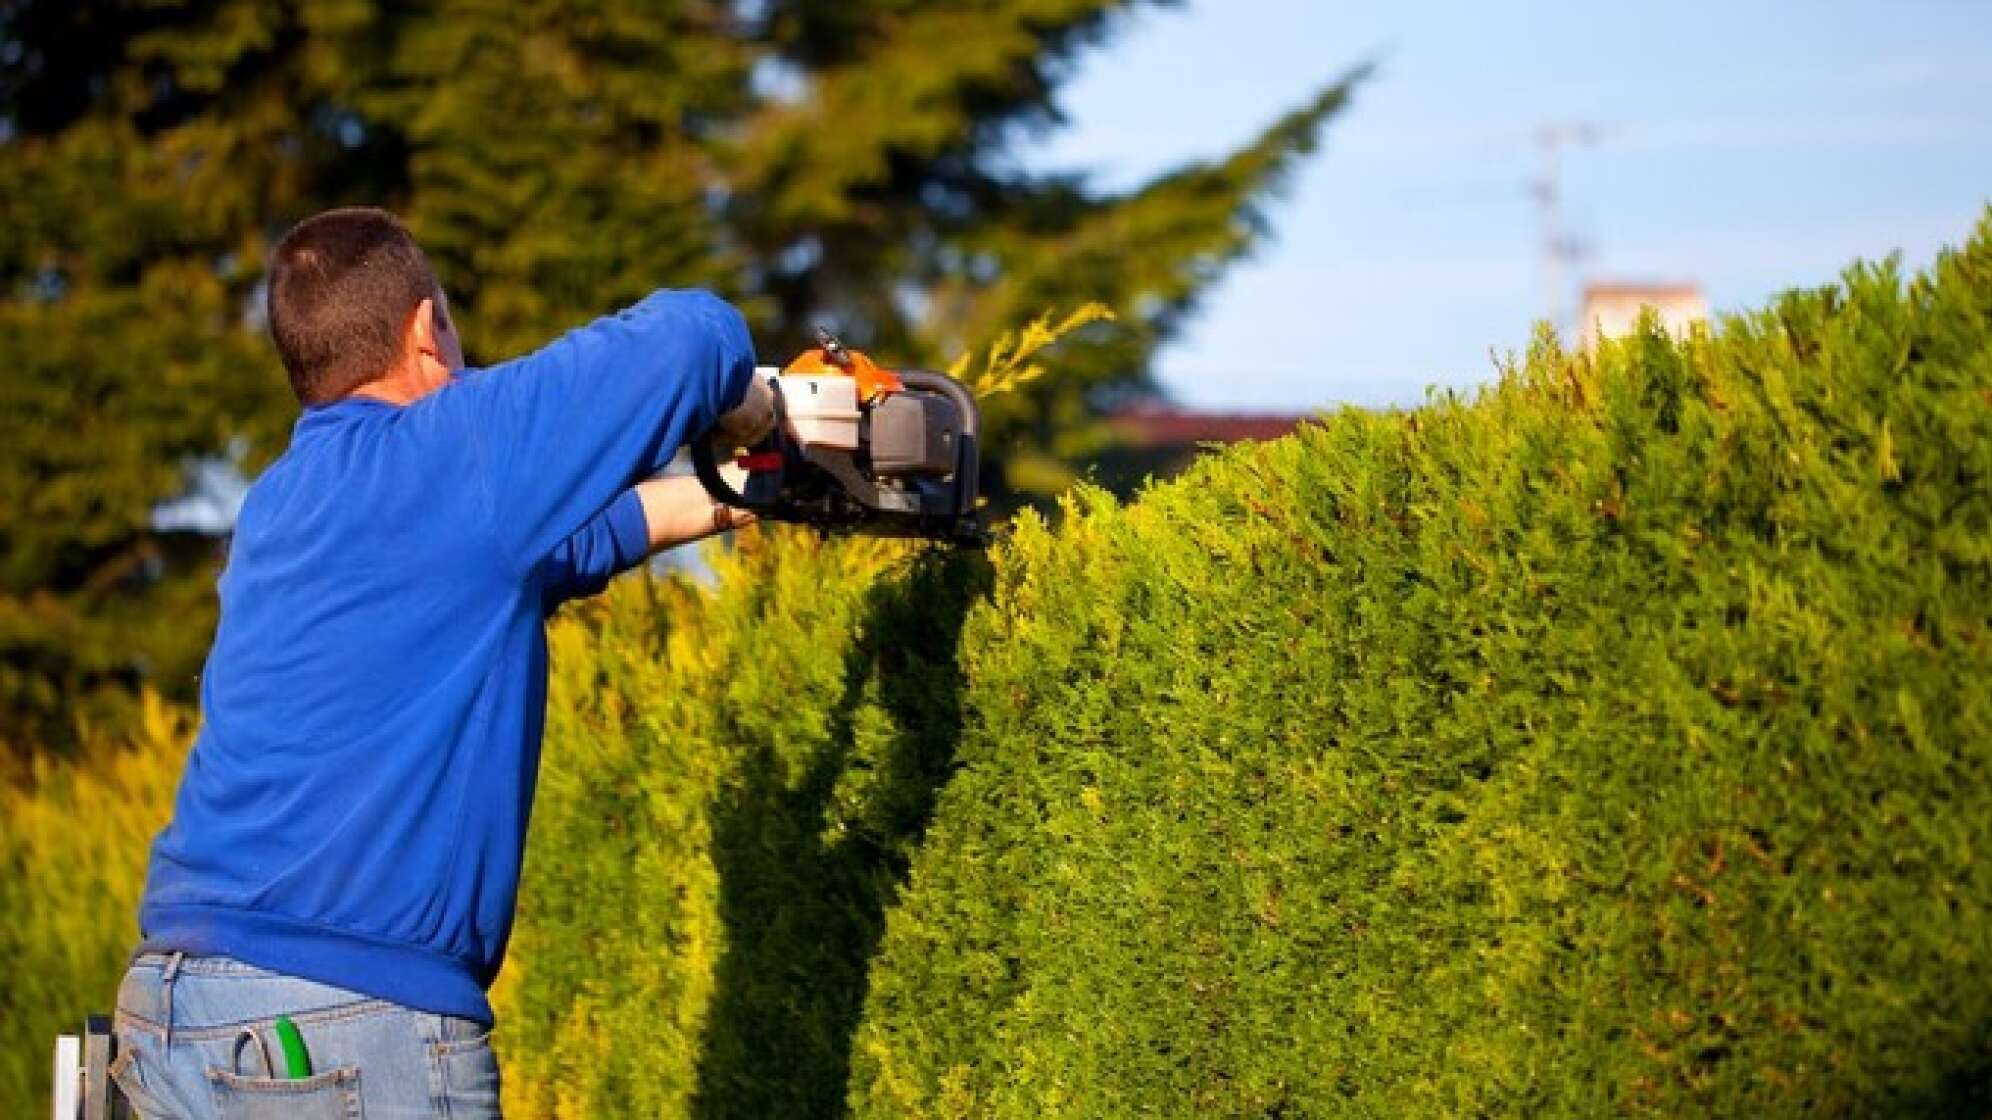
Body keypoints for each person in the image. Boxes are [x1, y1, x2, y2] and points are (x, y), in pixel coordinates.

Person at [107, 207, 773, 1118]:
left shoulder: (283, 505)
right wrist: (755, 409)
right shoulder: (452, 447)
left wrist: (753, 489)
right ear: (426, 330)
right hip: (333, 1024)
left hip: (173, 1009)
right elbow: (698, 334)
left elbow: (571, 543)